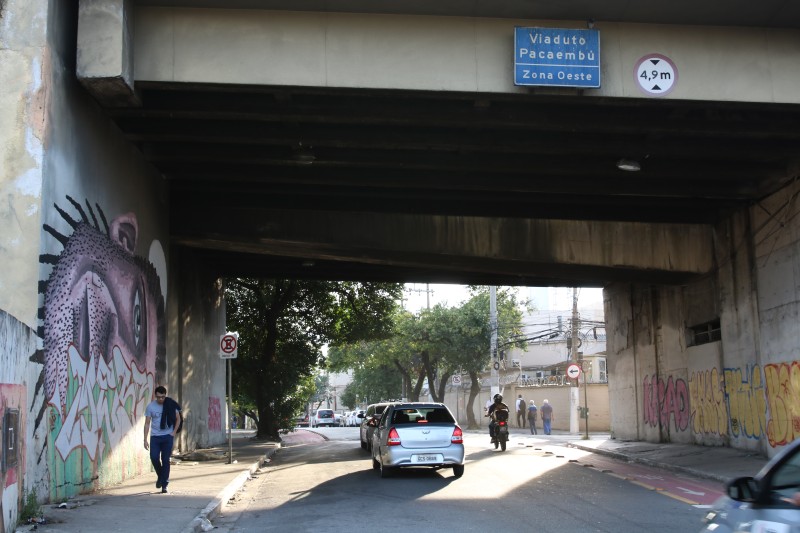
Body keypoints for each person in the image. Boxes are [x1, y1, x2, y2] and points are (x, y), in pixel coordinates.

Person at [144, 385, 182, 493]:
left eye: (162, 397)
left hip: (167, 436)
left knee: (165, 460)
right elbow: (147, 423)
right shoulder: (150, 407)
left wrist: (173, 432)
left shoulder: (170, 404)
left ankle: (164, 484)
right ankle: (161, 477)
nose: (160, 399)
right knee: (154, 457)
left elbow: (178, 419)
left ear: (165, 396)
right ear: (155, 396)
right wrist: (145, 439)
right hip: (155, 437)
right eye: (158, 397)